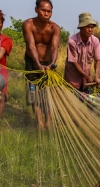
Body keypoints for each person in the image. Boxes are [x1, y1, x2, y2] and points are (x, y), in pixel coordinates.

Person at [22, 0, 60, 129]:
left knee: (50, 92)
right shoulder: (28, 24)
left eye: (49, 11)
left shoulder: (54, 28)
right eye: (43, 10)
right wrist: (38, 64)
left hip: (48, 63)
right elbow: (31, 45)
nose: (46, 14)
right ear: (36, 10)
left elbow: (55, 47)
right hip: (32, 62)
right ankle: (39, 122)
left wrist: (52, 63)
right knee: (33, 92)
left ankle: (48, 122)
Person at [64, 12, 100, 92]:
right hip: (73, 79)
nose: (90, 30)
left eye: (92, 27)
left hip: (86, 80)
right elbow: (75, 62)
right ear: (81, 28)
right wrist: (87, 77)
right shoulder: (72, 41)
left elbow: (97, 60)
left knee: (87, 101)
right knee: (73, 102)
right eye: (87, 27)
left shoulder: (95, 41)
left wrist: (96, 76)